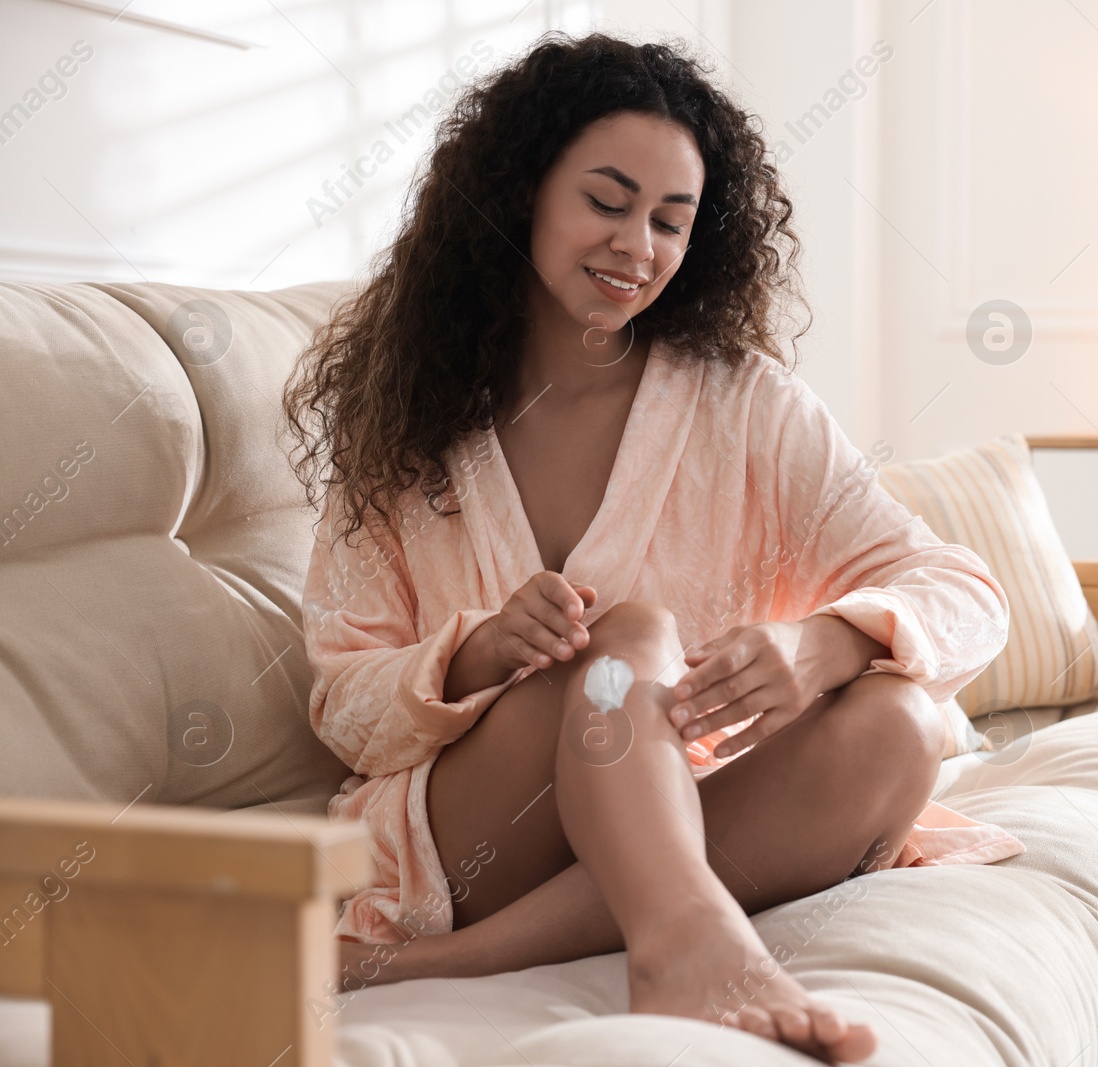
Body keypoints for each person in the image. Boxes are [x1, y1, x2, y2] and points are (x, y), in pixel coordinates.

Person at [283, 32, 1019, 1064]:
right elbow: (344, 708)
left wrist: (825, 644)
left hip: (671, 810)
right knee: (625, 634)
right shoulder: (409, 415)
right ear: (523, 189)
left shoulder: (744, 404)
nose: (639, 245)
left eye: (671, 220)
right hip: (480, 828)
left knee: (898, 721)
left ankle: (478, 959)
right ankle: (692, 936)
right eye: (607, 200)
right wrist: (478, 652)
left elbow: (963, 588)